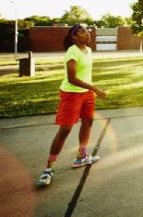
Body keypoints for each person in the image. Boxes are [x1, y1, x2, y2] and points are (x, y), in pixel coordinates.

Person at [37, 24, 107, 186]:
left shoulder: (88, 51)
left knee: (88, 122)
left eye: (88, 31)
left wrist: (90, 90)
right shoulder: (72, 52)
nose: (87, 34)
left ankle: (81, 157)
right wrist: (95, 88)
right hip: (71, 94)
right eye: (82, 32)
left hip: (86, 94)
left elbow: (84, 74)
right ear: (74, 37)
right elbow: (72, 78)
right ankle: (48, 169)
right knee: (65, 130)